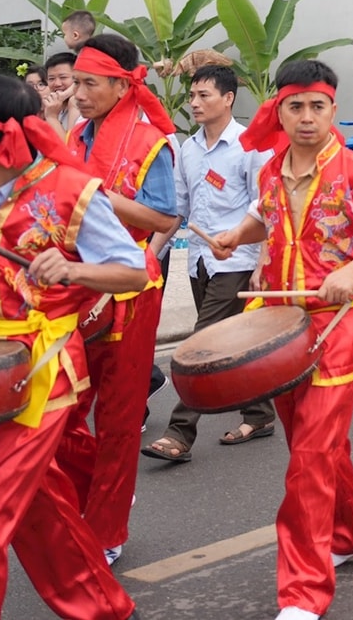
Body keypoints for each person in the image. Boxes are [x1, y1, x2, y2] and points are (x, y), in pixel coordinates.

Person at [205, 60, 353, 620]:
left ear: (333, 109)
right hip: (278, 325)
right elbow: (269, 215)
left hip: (338, 326)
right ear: (278, 110)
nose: (307, 118)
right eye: (295, 107)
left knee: (308, 455)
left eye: (318, 107)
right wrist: (239, 234)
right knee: (315, 445)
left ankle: (303, 592)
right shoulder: (270, 170)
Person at [0, 75, 144, 620]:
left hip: (40, 373)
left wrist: (73, 268)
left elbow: (132, 273)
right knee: (39, 504)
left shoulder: (71, 191)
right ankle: (104, 607)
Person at [59, 33, 178, 564]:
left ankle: (107, 528)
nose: (78, 93)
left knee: (119, 417)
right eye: (75, 82)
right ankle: (91, 497)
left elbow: (163, 220)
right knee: (62, 408)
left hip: (131, 288)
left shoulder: (151, 141)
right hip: (74, 285)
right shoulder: (76, 135)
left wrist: (97, 196)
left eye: (89, 83)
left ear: (121, 83)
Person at [145, 62, 276, 462]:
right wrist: (150, 255)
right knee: (234, 342)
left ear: (228, 98)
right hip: (200, 261)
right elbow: (176, 210)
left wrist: (262, 264)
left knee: (201, 346)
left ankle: (179, 433)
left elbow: (267, 208)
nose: (195, 103)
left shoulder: (250, 147)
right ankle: (260, 414)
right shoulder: (187, 149)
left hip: (236, 260)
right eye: (192, 96)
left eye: (204, 95)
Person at [40, 51, 80, 135]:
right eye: (51, 78)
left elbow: (70, 146)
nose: (57, 84)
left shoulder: (78, 103)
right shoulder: (54, 105)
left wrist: (52, 117)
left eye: (63, 77)